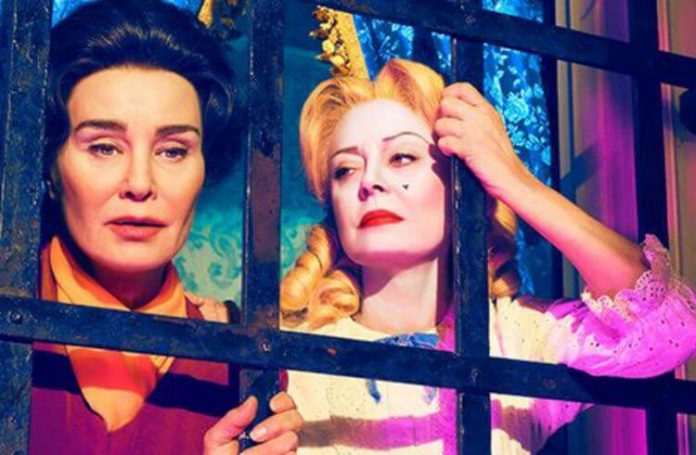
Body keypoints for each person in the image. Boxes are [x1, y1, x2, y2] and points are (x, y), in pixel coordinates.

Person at [280, 58, 696, 454]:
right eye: (345, 169)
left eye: (401, 157)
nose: (369, 180)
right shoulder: (289, 358)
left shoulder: (515, 338)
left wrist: (513, 179)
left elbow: (667, 327)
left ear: (460, 184)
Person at [31, 1, 300, 453]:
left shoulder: (244, 363)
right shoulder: (14, 316)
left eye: (173, 151)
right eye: (104, 147)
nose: (140, 183)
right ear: (50, 167)